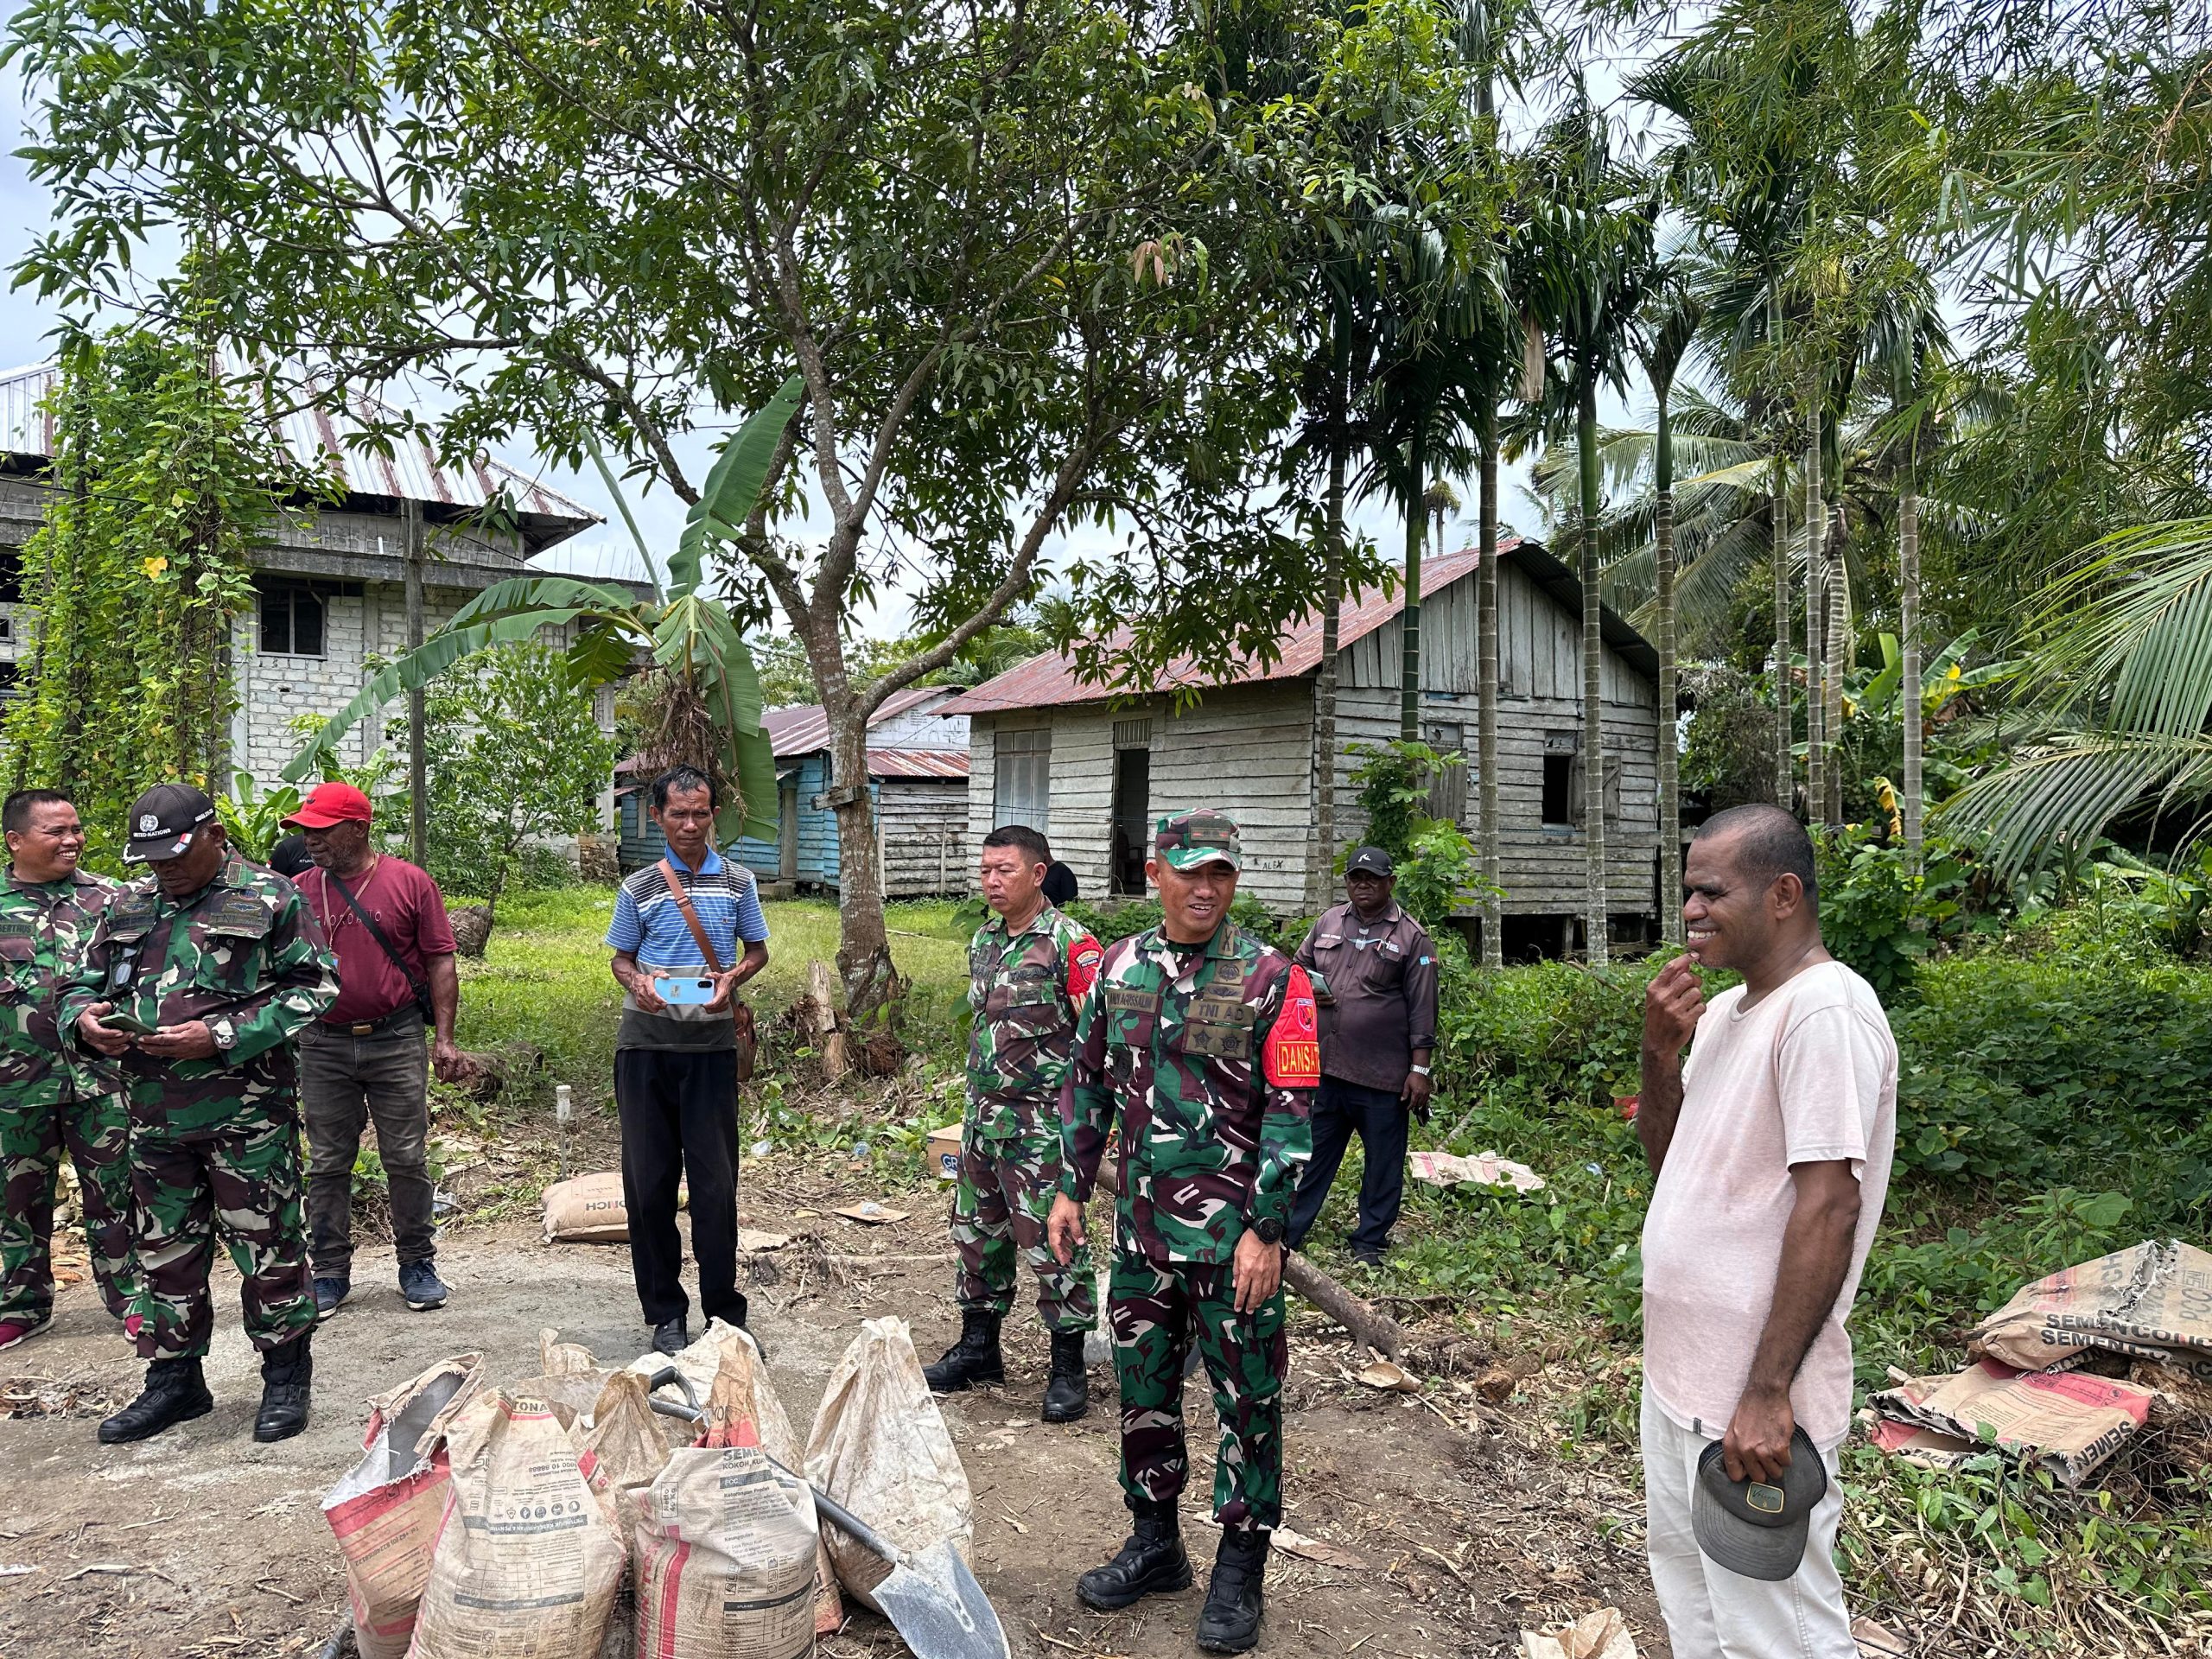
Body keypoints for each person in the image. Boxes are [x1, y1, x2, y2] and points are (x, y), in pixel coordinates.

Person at [1048, 809, 1318, 1656]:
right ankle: (1156, 1543)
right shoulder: (1119, 967)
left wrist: (1266, 1231)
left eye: (1221, 873)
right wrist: (1068, 1189)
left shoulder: (1273, 979)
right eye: (1191, 870)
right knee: (1144, 1394)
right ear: (1156, 873)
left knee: (1248, 1403)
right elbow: (1087, 1083)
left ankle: (1240, 1567)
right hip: (1140, 1240)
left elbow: (1292, 1115)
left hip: (1233, 1247)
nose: (1206, 888)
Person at [1637, 803, 1898, 1657]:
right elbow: (1672, 1163)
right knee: (1698, 1610)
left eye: (1711, 892)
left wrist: (1765, 1392)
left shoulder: (1825, 1011)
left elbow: (1830, 1207)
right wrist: (1659, 1056)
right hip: (1681, 1386)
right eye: (1687, 892)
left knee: (1777, 1632)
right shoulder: (1724, 1016)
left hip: (1751, 1401)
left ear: (1783, 895)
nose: (1690, 910)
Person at [60, 784, 339, 1444]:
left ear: (215, 835)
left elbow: (316, 986)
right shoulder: (127, 904)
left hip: (247, 1119)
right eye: (152, 859)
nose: (165, 870)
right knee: (164, 1249)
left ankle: (285, 1377)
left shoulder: (270, 897)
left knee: (267, 1248)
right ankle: (175, 1380)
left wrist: (220, 1034)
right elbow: (78, 985)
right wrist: (85, 1020)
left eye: (176, 855)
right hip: (152, 1117)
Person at [924, 824, 1103, 1421]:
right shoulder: (985, 939)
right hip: (984, 1119)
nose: (992, 881)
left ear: (1038, 873)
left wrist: (1089, 1130)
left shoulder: (1072, 946)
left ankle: (1068, 1366)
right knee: (977, 1236)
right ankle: (979, 1349)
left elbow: (1099, 1044)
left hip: (1041, 1128)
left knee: (1055, 1244)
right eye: (985, 871)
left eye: (1005, 870)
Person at [283, 781, 465, 1320]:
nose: (310, 840)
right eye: (304, 831)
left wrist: (444, 1038)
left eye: (322, 830)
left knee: (406, 1157)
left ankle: (417, 1264)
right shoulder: (297, 891)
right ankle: (329, 1270)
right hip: (323, 1043)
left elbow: (440, 960)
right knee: (327, 1162)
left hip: (395, 1037)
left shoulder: (408, 882)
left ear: (359, 828)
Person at [606, 766, 770, 1357]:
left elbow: (757, 952)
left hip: (710, 1050)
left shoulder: (738, 882)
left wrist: (732, 978)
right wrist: (639, 982)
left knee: (715, 1187)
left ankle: (724, 1315)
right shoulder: (639, 887)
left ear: (714, 814)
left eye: (701, 813)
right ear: (658, 817)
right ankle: (666, 1315)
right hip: (645, 1048)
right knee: (648, 1186)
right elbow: (620, 959)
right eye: (678, 814)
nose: (691, 824)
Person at [0, 789, 138, 1351]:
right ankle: (22, 1304)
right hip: (14, 1085)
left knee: (118, 1190)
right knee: (15, 1200)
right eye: (55, 831)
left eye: (75, 829)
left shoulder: (112, 899)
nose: (72, 840)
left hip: (102, 1079)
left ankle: (131, 1297)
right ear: (15, 840)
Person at [1284, 847, 1438, 1268]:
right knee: (1312, 1155)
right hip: (1326, 1067)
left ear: (1390, 883)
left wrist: (1419, 1069)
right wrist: (1308, 987)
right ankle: (1289, 1232)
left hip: (1381, 1075)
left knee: (1382, 1163)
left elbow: (1424, 1008)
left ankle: (1370, 1241)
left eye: (1372, 878)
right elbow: (1295, 970)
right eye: (1356, 877)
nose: (1363, 885)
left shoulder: (1412, 937)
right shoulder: (1328, 922)